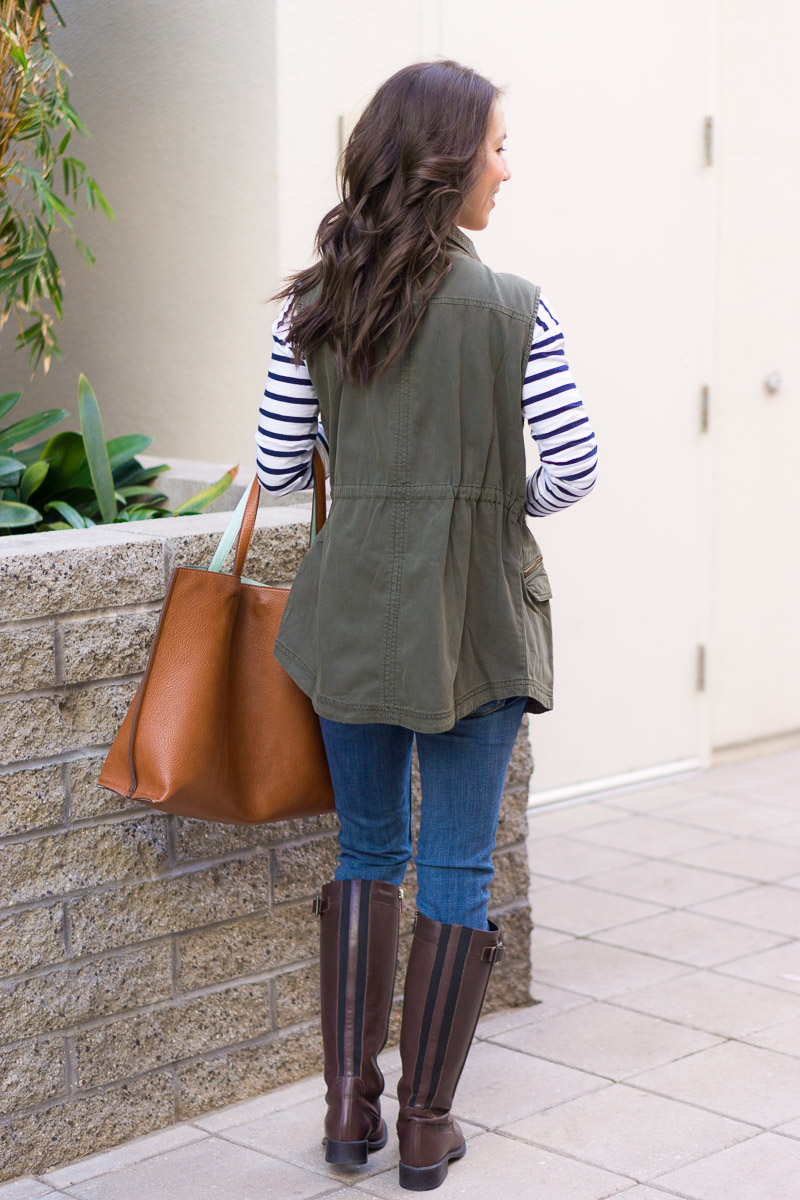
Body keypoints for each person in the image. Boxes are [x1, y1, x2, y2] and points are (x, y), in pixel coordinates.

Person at [254, 60, 598, 1192]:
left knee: (364, 852)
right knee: (453, 865)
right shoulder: (514, 307)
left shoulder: (314, 302)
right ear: (448, 162)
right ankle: (424, 1127)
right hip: (480, 623)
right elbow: (576, 468)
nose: (508, 164)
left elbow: (269, 464)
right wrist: (496, 506)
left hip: (351, 618)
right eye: (497, 145)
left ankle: (346, 1114)